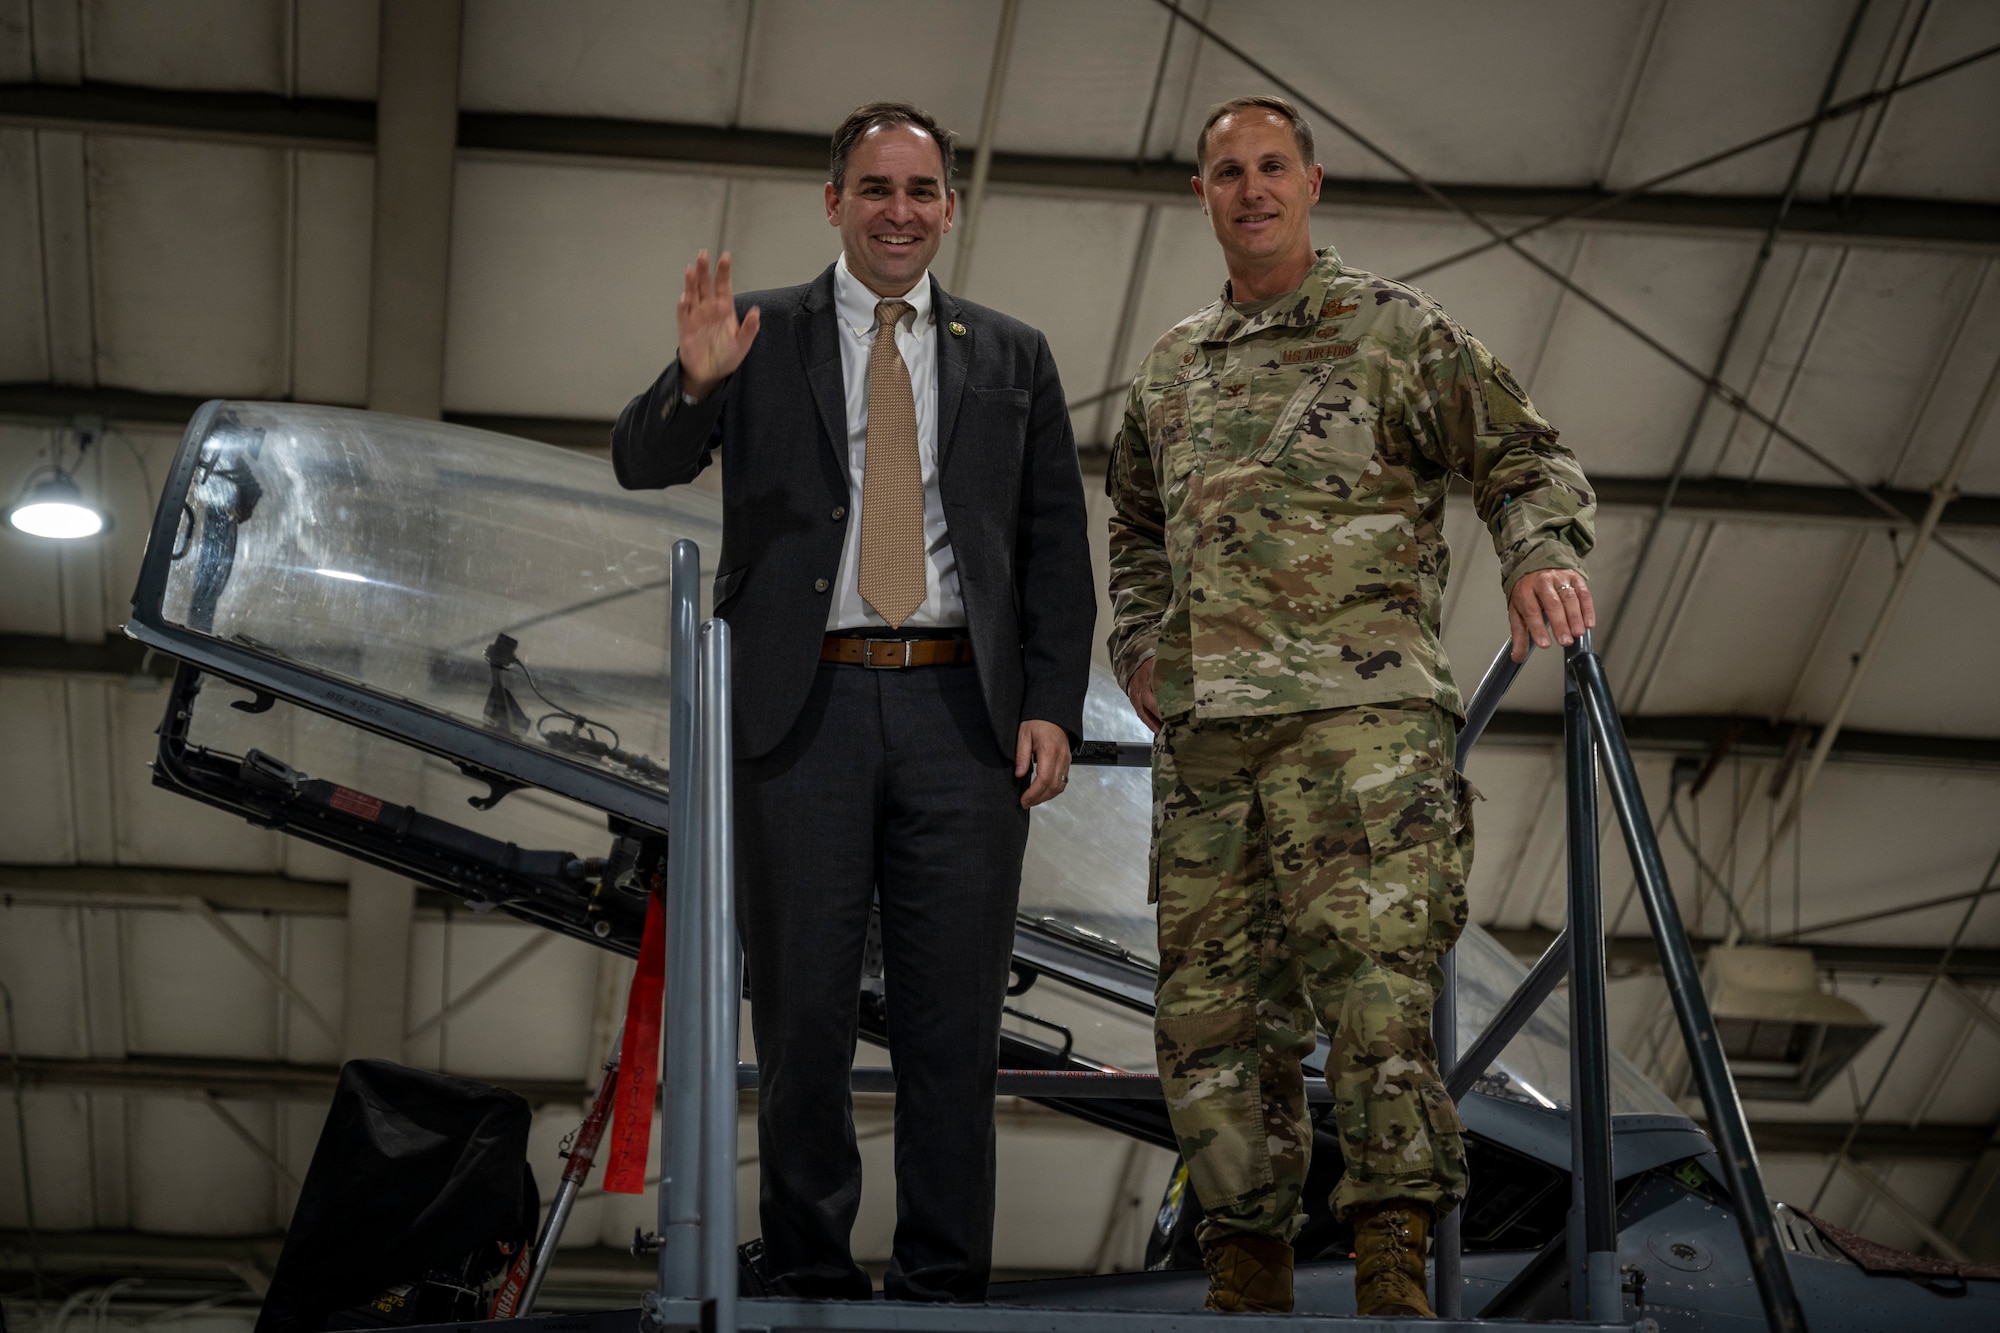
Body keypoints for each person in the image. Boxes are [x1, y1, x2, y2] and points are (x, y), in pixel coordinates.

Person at [1106, 95, 1597, 1317]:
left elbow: (1522, 453)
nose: (1251, 187)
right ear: (1202, 196)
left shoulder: (1393, 332)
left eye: (1272, 166)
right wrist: (1135, 647)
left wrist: (1536, 552)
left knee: (1376, 998)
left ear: (1310, 184)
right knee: (1210, 1013)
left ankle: (1389, 1257)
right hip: (1208, 745)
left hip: (1362, 729)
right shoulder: (1169, 368)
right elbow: (1132, 525)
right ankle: (1244, 1262)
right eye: (1228, 171)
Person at [612, 102, 1094, 1303]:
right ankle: (810, 1271)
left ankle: (941, 1283)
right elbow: (642, 459)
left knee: (951, 1028)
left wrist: (1049, 705)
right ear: (832, 202)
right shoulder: (757, 332)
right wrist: (693, 380)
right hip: (802, 716)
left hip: (960, 724)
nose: (899, 212)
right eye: (875, 189)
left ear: (948, 207)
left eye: (921, 191)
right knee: (803, 1017)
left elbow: (1050, 549)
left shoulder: (1011, 352)